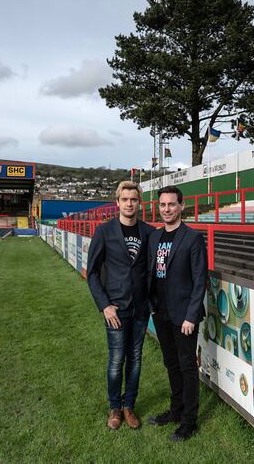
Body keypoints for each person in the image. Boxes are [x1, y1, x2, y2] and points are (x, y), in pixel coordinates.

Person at [87, 181, 155, 430]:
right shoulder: (104, 231)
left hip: (139, 309)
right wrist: (104, 305)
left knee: (135, 359)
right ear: (117, 202)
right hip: (115, 309)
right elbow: (92, 272)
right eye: (124, 199)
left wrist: (151, 301)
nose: (129, 203)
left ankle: (129, 406)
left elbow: (153, 270)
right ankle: (114, 407)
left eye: (133, 199)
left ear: (139, 202)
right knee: (117, 359)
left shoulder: (149, 232)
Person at [146, 185, 207, 442]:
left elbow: (199, 279)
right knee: (171, 364)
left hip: (184, 316)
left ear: (181, 206)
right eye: (162, 205)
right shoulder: (154, 237)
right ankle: (176, 410)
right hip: (160, 312)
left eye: (171, 204)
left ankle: (189, 421)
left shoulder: (192, 237)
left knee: (187, 366)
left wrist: (191, 316)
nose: (167, 209)